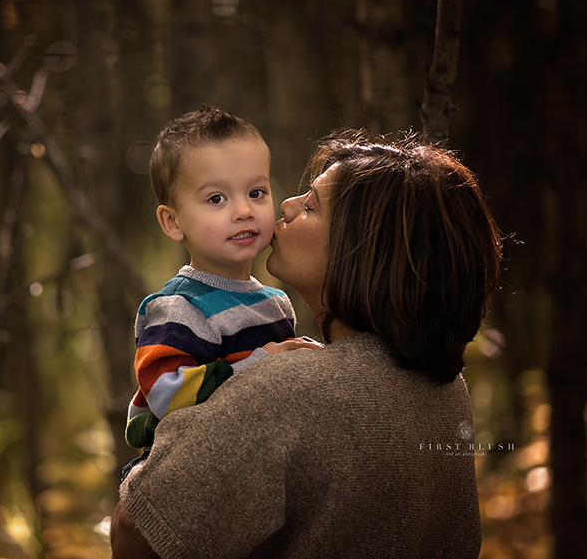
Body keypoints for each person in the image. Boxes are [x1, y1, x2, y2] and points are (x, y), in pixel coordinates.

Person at [111, 130, 503, 558]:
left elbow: (138, 531)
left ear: (361, 248)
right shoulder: (447, 389)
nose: (284, 205)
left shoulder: (289, 390)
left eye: (311, 206)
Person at [123, 105, 319, 473]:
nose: (244, 210)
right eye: (217, 199)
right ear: (172, 221)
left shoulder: (276, 303)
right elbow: (167, 394)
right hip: (180, 475)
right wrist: (264, 365)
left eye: (257, 192)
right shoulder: (178, 307)